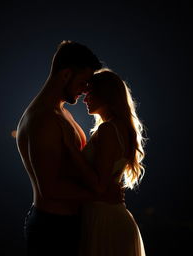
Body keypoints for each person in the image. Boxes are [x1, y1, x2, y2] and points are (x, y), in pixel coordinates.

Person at [15, 41, 124, 256]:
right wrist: (100, 196)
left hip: (67, 224)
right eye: (83, 81)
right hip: (53, 229)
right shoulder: (44, 119)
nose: (85, 90)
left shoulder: (61, 113)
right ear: (66, 75)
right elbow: (50, 188)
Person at [62, 68, 147, 256]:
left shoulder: (109, 130)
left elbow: (99, 185)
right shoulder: (118, 128)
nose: (84, 100)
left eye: (90, 94)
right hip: (106, 214)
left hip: (104, 219)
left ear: (105, 95)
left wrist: (71, 150)